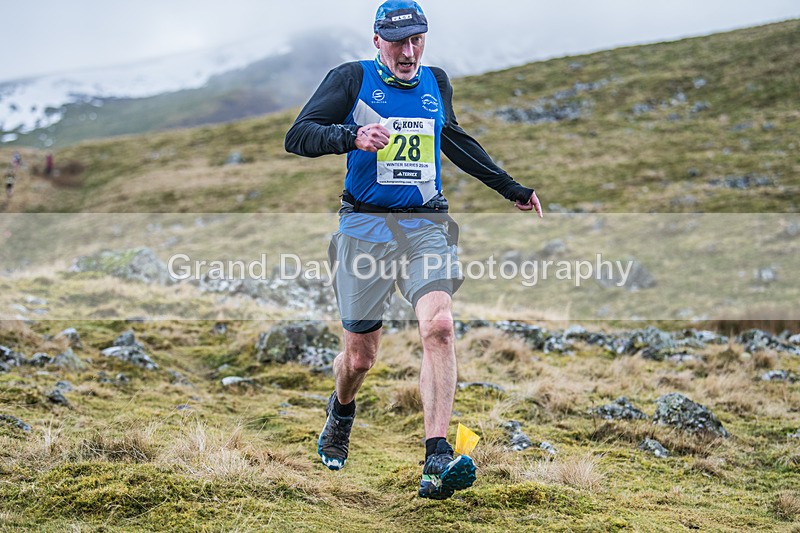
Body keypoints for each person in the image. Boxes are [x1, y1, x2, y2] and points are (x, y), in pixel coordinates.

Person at [285, 0, 542, 500]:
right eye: (398, 41)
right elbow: (298, 135)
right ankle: (341, 410)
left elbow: (454, 139)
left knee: (440, 326)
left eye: (417, 39)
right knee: (359, 359)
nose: (408, 51)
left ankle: (436, 458)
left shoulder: (435, 82)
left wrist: (510, 187)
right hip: (364, 228)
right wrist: (351, 136)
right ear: (376, 39)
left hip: (426, 225)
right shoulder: (350, 79)